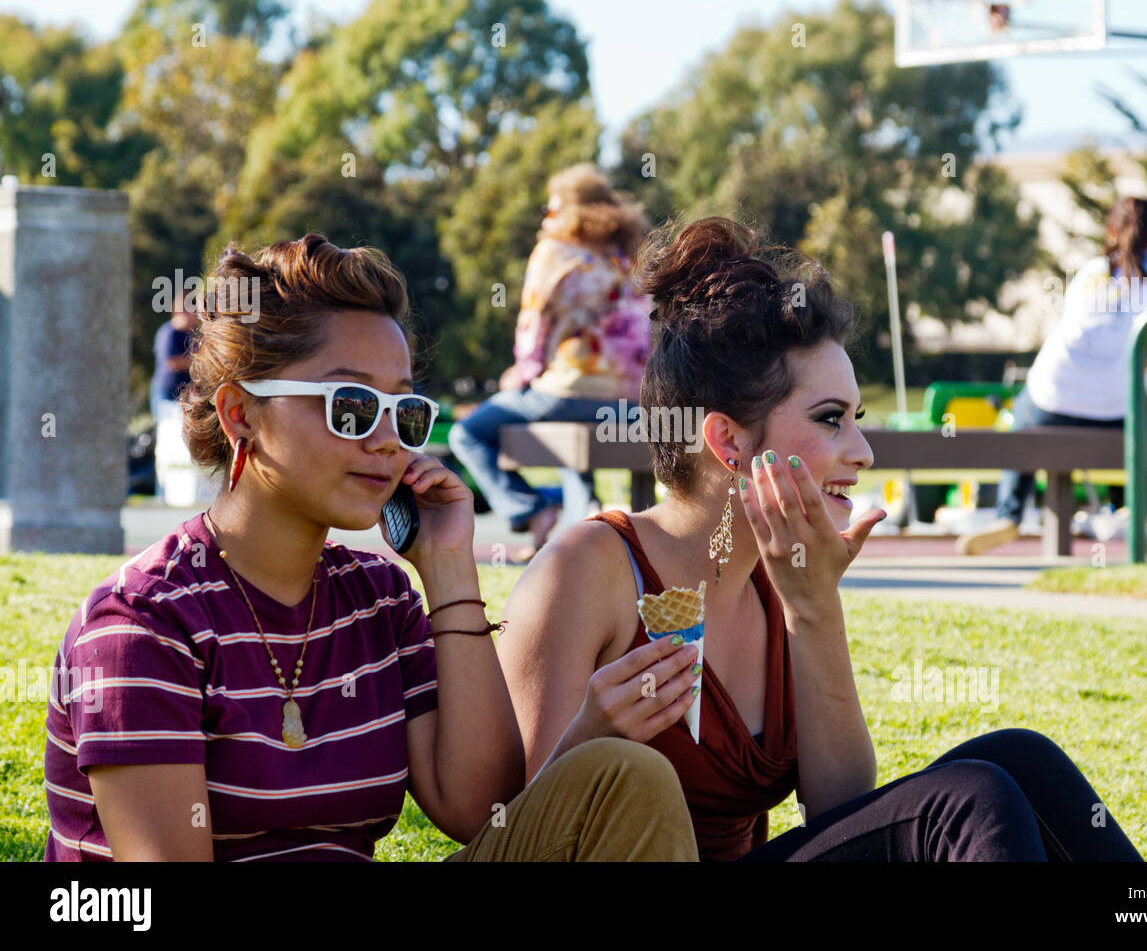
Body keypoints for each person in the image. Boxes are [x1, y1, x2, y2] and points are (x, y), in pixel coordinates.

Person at [496, 216, 1143, 862]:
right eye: (830, 420)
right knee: (972, 798)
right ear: (727, 441)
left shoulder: (779, 576)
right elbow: (527, 835)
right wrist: (594, 732)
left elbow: (840, 811)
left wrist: (813, 605)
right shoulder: (588, 570)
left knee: (1020, 760)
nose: (861, 452)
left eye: (854, 419)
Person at [44, 233, 696, 862]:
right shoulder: (142, 625)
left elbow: (480, 809)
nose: (389, 440)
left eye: (405, 411)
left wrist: (446, 569)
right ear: (242, 413)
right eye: (350, 406)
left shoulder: (378, 598)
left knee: (623, 775)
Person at [957, 196, 1147, 557]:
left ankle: (1009, 513)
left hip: (1055, 393)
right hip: (1117, 409)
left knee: (1020, 422)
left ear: (1111, 230)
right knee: (1146, 426)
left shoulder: (1091, 271)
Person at [449, 164, 653, 561]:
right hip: (632, 403)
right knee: (568, 431)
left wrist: (522, 374)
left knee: (467, 433)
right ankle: (584, 511)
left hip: (571, 392)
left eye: (551, 207)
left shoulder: (556, 251)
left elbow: (534, 321)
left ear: (569, 209)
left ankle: (533, 508)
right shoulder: (628, 258)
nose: (547, 216)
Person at [150, 288, 198, 422]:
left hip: (184, 396)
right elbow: (172, 362)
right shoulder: (169, 333)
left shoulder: (192, 334)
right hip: (167, 396)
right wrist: (200, 363)